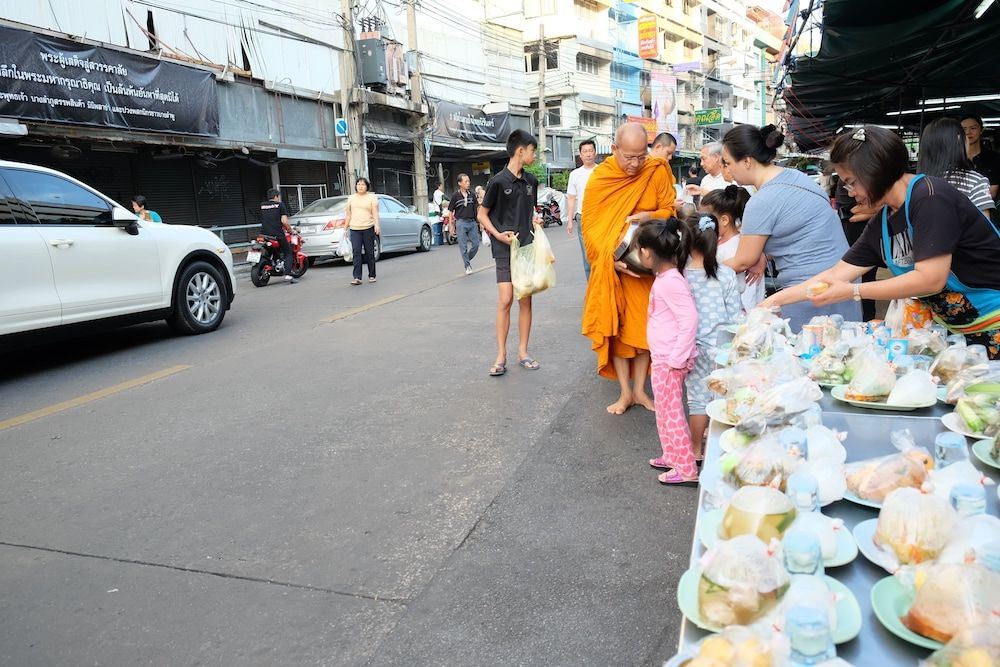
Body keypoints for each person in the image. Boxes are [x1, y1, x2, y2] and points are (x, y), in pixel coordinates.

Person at [762, 126, 1000, 359]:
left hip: (994, 324)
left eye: (851, 182)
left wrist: (853, 291)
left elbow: (931, 279)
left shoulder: (930, 198)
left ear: (873, 172)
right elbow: (835, 275)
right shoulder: (883, 222)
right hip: (958, 333)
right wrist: (772, 302)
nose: (850, 192)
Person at [720, 124, 860, 330]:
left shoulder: (761, 201)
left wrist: (702, 269)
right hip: (844, 276)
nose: (728, 169)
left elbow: (743, 261)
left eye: (728, 162)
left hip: (811, 289)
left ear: (747, 161)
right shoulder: (795, 177)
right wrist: (764, 255)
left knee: (809, 353)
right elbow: (797, 228)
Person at [581, 122, 676, 415]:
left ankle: (640, 391)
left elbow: (670, 211)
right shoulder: (601, 177)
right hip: (616, 270)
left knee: (647, 333)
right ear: (614, 149)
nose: (635, 164)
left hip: (648, 269)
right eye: (628, 157)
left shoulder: (657, 169)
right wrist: (611, 259)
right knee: (620, 333)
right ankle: (624, 393)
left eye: (640, 156)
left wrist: (649, 215)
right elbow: (591, 228)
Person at [635, 218, 699, 485]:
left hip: (670, 360)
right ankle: (672, 455)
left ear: (647, 253)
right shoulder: (667, 277)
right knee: (664, 410)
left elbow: (690, 319)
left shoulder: (670, 281)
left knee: (671, 412)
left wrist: (676, 358)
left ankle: (686, 469)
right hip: (664, 357)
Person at [477, 129, 542, 376]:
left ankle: (523, 352)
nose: (534, 155)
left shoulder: (532, 182)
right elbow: (482, 215)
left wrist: (535, 221)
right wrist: (497, 234)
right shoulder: (497, 182)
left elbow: (530, 211)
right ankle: (501, 355)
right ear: (520, 151)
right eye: (533, 151)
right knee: (505, 300)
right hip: (504, 249)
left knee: (525, 299)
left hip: (526, 247)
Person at [682, 213, 742, 462]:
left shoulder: (681, 276)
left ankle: (695, 450)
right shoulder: (726, 274)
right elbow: (735, 316)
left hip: (692, 348)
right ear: (715, 239)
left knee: (697, 399)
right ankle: (720, 452)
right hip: (722, 348)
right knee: (722, 398)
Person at [700, 186, 764, 313]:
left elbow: (747, 292)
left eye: (705, 219)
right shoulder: (723, 242)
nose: (700, 223)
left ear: (724, 220)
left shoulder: (738, 247)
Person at [918, 118, 994, 216]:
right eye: (964, 134)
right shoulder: (976, 181)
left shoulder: (915, 184)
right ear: (959, 140)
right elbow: (984, 228)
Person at [832, 175, 877, 321]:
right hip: (852, 229)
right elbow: (851, 211)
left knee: (864, 277)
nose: (852, 193)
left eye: (852, 185)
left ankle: (868, 319)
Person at [566, 139, 598, 280]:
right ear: (580, 154)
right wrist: (570, 220)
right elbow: (571, 198)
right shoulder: (575, 174)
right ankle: (592, 290)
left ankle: (602, 288)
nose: (588, 154)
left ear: (595, 153)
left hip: (600, 217)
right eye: (585, 151)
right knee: (587, 257)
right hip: (583, 218)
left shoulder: (602, 171)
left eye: (590, 151)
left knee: (601, 254)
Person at [343, 177, 380, 285]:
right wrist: (345, 228)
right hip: (355, 229)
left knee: (369, 252)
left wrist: (377, 224)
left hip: (368, 227)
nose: (360, 186)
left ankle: (372, 275)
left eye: (363, 184)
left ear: (367, 186)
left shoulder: (372, 197)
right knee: (356, 252)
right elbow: (348, 214)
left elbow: (375, 213)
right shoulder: (351, 198)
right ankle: (357, 277)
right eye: (358, 184)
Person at [259, 188, 298, 284]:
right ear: (276, 196)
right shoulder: (280, 205)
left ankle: (274, 263)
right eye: (278, 196)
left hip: (264, 234)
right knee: (288, 252)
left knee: (269, 251)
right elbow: (284, 221)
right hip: (277, 234)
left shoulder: (262, 205)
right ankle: (288, 275)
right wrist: (291, 230)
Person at [962, 114, 1000, 201]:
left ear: (981, 130)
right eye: (964, 129)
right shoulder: (954, 158)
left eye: (973, 128)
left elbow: (992, 193)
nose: (968, 132)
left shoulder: (994, 159)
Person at [448, 173, 479, 274]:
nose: (468, 183)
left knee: (476, 244)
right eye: (466, 181)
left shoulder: (472, 195)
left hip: (472, 222)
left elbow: (477, 209)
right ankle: (467, 266)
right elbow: (450, 211)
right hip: (461, 222)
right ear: (459, 183)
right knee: (463, 246)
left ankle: (467, 259)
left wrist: (481, 223)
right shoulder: (455, 196)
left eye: (469, 181)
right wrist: (451, 226)